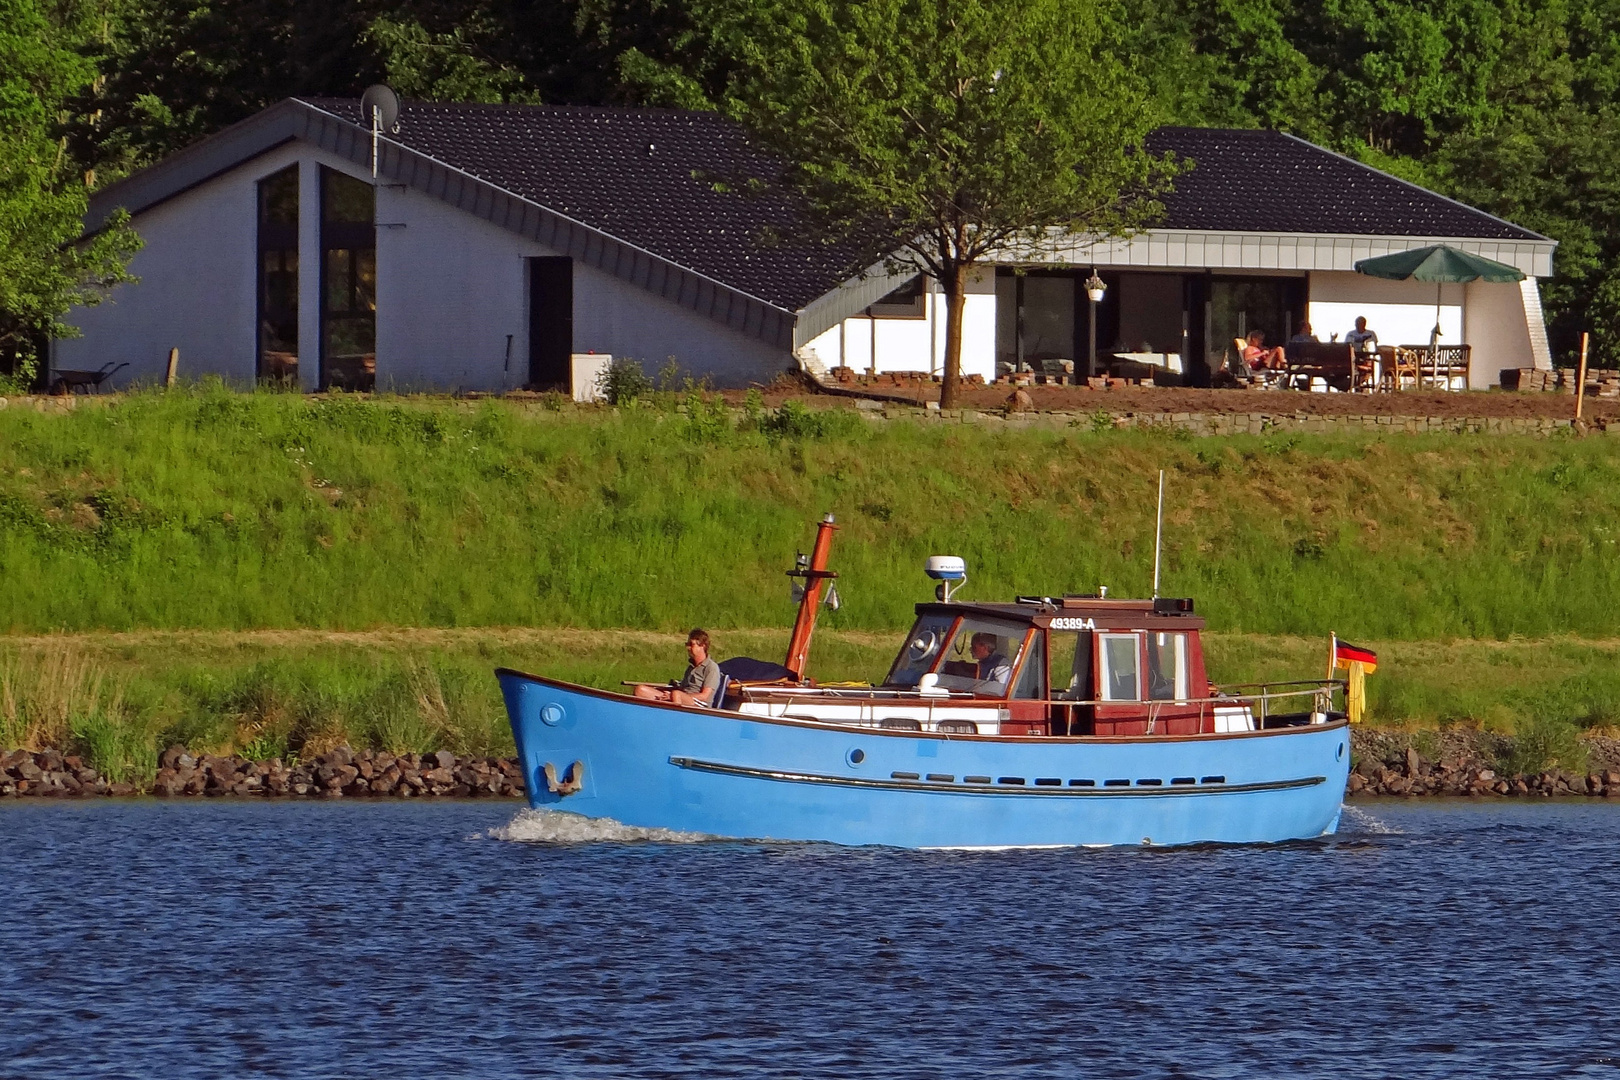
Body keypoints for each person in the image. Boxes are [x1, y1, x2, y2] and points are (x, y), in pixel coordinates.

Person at [635, 628, 722, 707]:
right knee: (640, 690)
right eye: (687, 644)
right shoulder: (691, 667)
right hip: (680, 698)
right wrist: (666, 692)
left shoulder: (711, 668)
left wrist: (674, 695)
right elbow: (681, 689)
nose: (688, 648)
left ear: (702, 646)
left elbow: (704, 696)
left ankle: (673, 719)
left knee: (676, 694)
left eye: (691, 645)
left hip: (699, 704)